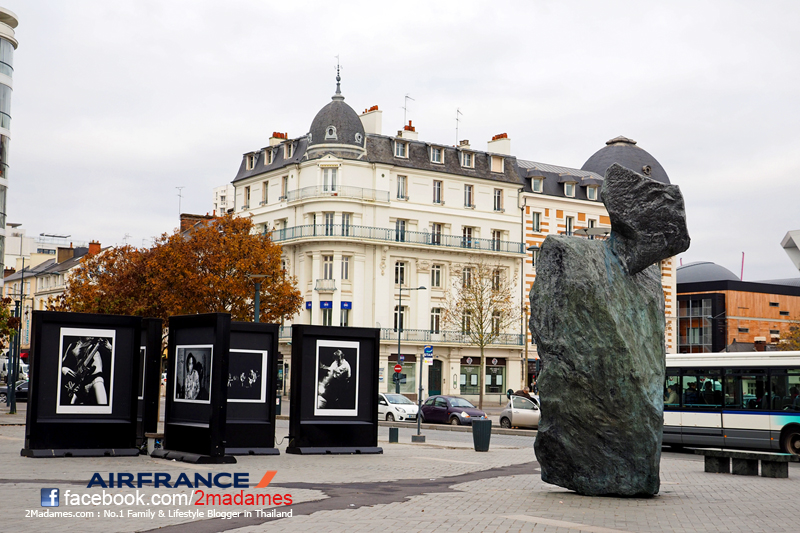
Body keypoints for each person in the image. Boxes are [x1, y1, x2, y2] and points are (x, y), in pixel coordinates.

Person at [61, 337, 111, 406]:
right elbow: (62, 364)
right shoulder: (73, 345)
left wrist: (109, 347)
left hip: (95, 380)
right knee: (71, 406)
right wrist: (64, 369)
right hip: (81, 383)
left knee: (103, 405)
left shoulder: (96, 345)